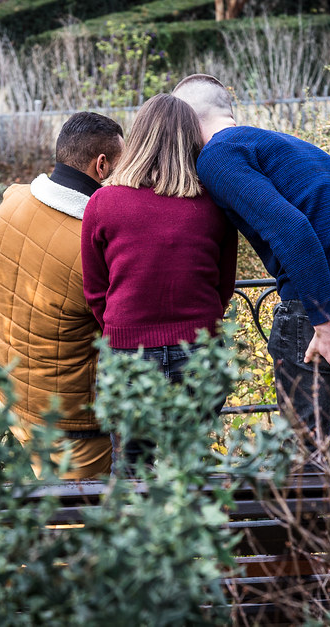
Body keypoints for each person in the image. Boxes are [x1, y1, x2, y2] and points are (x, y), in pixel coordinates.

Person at [173, 74, 330, 468]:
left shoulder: (218, 155)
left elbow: (292, 229)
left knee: (302, 449)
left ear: (185, 121)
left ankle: (309, 513)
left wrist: (326, 322)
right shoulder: (281, 145)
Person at [81, 94, 238, 475]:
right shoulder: (214, 204)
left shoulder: (102, 202)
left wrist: (125, 329)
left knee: (131, 467)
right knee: (190, 467)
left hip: (128, 353)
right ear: (192, 141)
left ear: (138, 138)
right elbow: (223, 285)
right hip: (199, 350)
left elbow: (96, 291)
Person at [0, 111, 124, 479]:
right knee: (82, 512)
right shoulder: (90, 245)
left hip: (13, 394)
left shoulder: (12, 202)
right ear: (102, 166)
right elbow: (122, 329)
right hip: (69, 423)